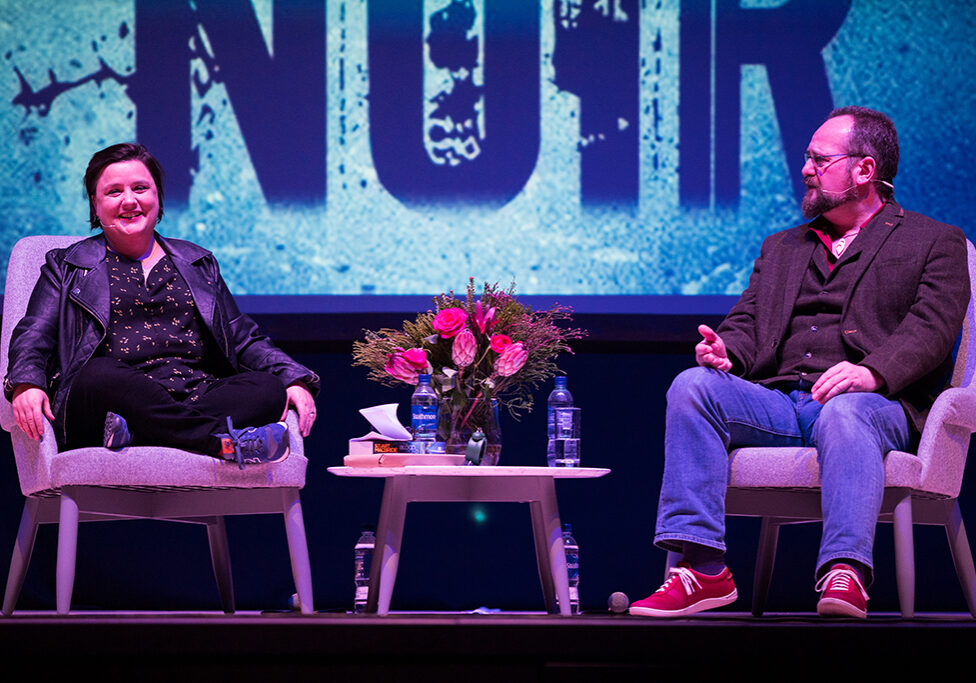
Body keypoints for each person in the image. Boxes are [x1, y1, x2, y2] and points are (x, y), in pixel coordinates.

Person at [630, 107, 969, 618]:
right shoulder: (784, 246)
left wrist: (872, 373)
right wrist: (727, 351)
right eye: (806, 158)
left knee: (848, 409)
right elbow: (747, 322)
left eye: (819, 158)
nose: (806, 168)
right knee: (692, 386)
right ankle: (702, 569)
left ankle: (845, 572)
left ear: (864, 170)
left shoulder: (932, 241)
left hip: (876, 406)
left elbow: (933, 329)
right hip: (782, 405)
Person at [4, 142, 319, 467]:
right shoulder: (67, 265)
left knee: (266, 388)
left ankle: (143, 434)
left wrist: (291, 378)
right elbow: (34, 333)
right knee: (98, 374)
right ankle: (220, 442)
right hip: (110, 401)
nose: (130, 200)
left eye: (140, 188)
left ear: (158, 198)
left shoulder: (198, 262)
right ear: (95, 206)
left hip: (195, 394)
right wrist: (26, 382)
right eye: (114, 192)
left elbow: (243, 337)